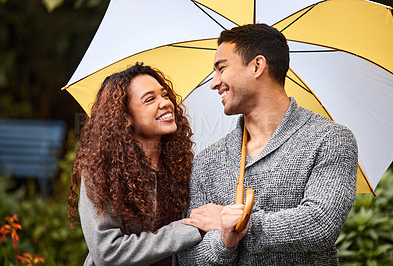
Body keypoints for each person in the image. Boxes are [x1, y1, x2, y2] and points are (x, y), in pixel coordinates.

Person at [178, 23, 358, 265]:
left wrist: (239, 222)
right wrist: (225, 241)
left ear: (257, 66)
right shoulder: (206, 161)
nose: (214, 82)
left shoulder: (329, 139)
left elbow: (319, 223)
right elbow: (190, 257)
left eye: (221, 69)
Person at [68, 63, 216, 265]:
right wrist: (191, 229)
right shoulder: (103, 174)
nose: (165, 103)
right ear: (125, 118)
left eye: (164, 95)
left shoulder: (181, 167)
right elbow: (107, 252)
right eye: (150, 99)